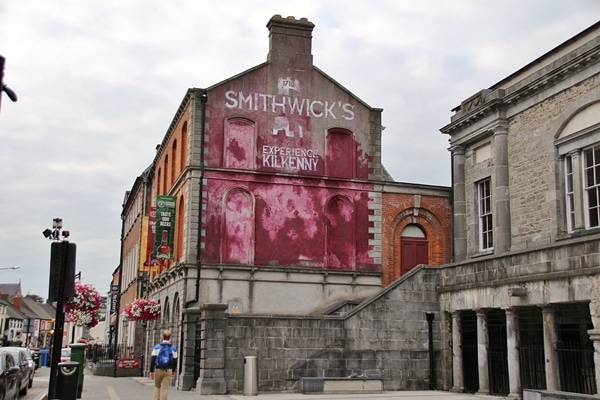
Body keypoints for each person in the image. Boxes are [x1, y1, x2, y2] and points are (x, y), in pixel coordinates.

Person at [149, 329, 178, 400]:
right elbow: (175, 360)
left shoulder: (157, 347)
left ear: (162, 337)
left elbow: (153, 359)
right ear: (170, 337)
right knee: (165, 388)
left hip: (158, 369)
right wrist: (173, 370)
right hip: (168, 369)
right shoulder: (173, 348)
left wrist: (151, 371)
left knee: (157, 386)